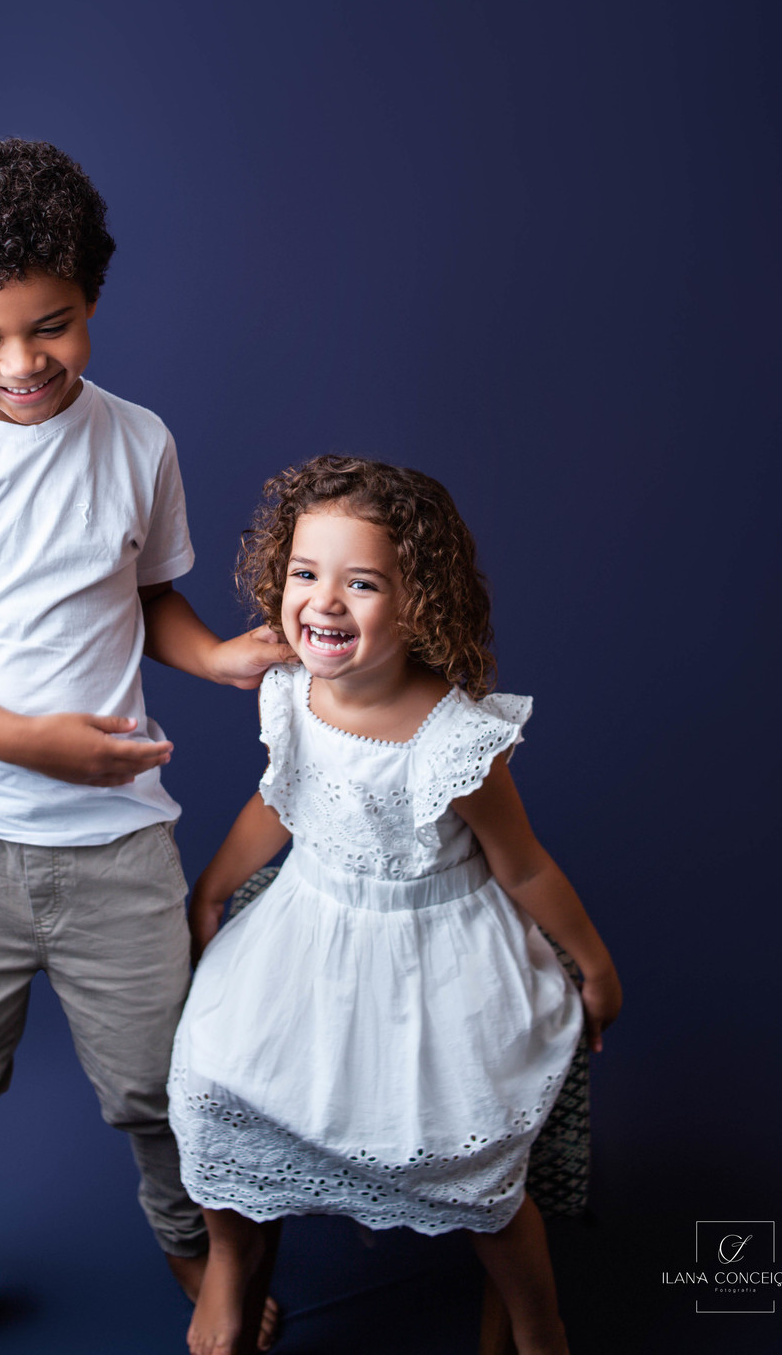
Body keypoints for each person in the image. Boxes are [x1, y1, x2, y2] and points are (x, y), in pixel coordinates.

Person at [0, 139, 289, 1355]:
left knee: (159, 1088)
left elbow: (148, 601)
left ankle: (198, 1259)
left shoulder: (139, 441)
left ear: (92, 300)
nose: (23, 364)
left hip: (117, 844)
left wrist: (218, 657)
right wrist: (29, 745)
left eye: (55, 326)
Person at [169, 454, 623, 1355]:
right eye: (305, 573)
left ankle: (538, 1323)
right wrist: (215, 886)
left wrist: (595, 965)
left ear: (420, 601)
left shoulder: (455, 737)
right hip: (307, 930)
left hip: (432, 952)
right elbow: (279, 798)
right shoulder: (291, 693)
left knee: (472, 1162)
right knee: (213, 1088)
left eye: (362, 582)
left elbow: (523, 867)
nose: (323, 603)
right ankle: (229, 1263)